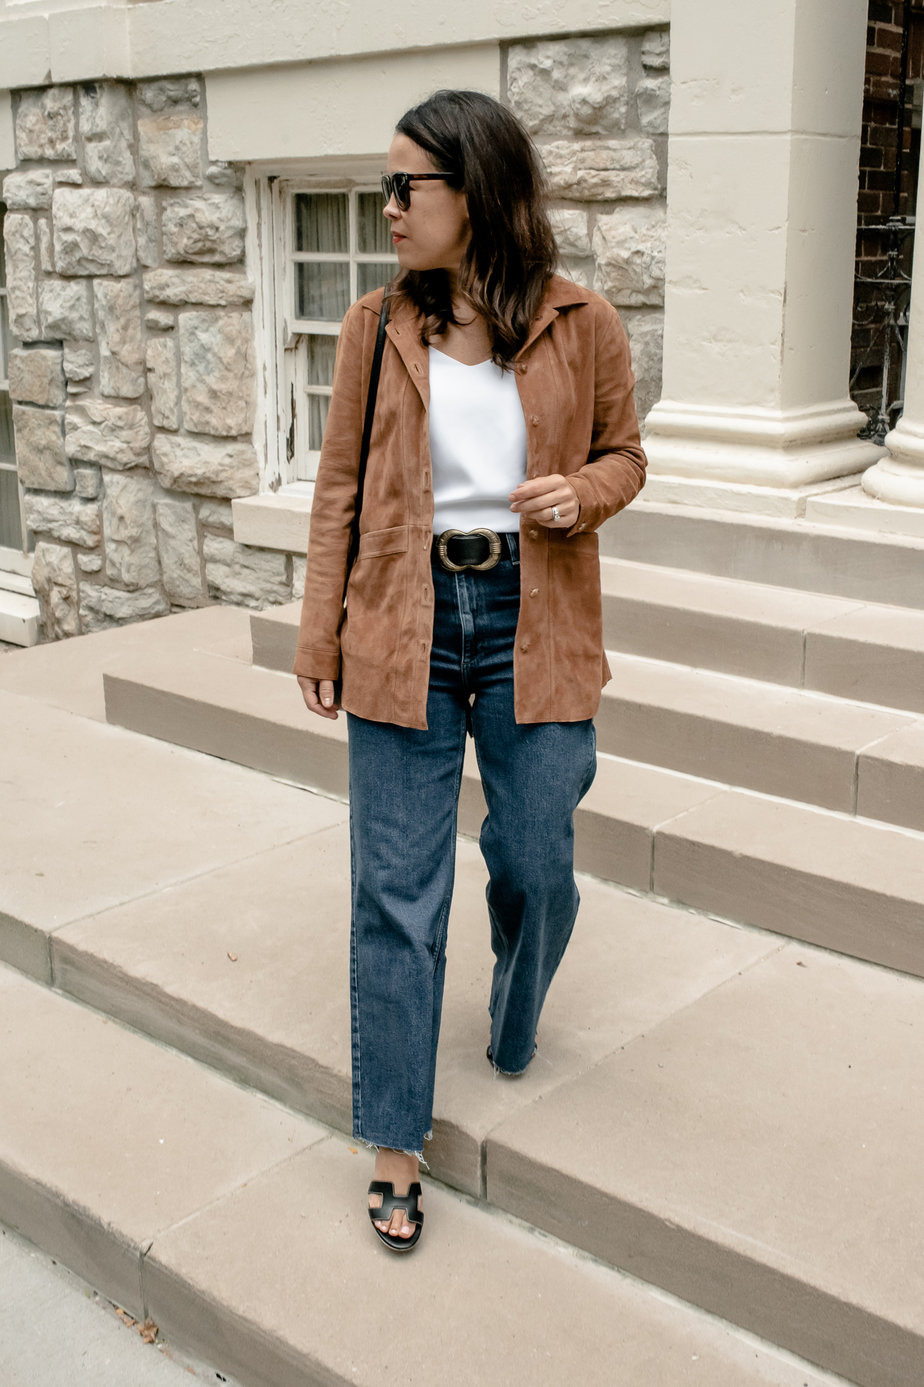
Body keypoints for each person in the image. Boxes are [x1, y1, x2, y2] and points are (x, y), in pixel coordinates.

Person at [294, 89, 647, 1252]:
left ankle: (512, 994)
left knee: (537, 854)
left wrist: (580, 491)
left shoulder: (581, 321)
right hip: (404, 613)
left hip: (531, 614)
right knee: (395, 892)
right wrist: (319, 633)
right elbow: (340, 488)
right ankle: (396, 1137)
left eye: (410, 188)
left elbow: (625, 457)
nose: (388, 208)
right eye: (386, 185)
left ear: (477, 191)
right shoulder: (372, 326)